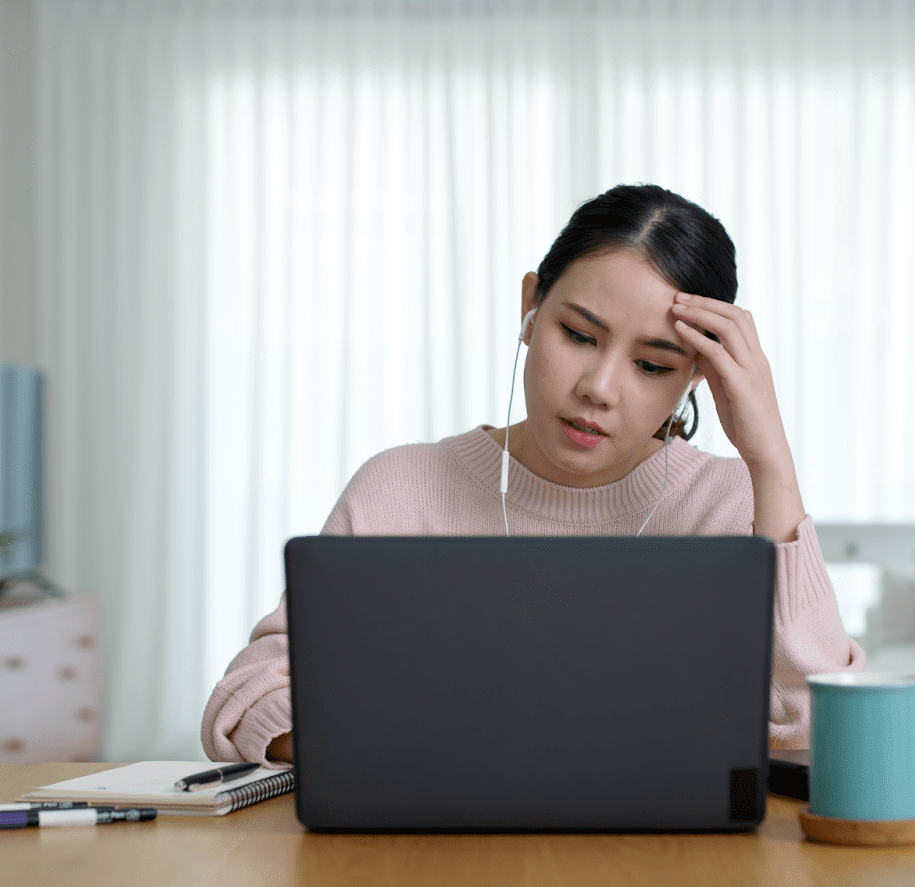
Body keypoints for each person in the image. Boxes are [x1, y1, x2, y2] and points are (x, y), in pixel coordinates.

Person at [201, 183, 865, 767]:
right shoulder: (400, 489)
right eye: (578, 334)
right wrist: (438, 748)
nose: (598, 388)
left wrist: (772, 462)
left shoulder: (731, 507)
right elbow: (247, 696)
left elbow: (818, 733)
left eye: (653, 366)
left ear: (698, 376)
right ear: (531, 306)